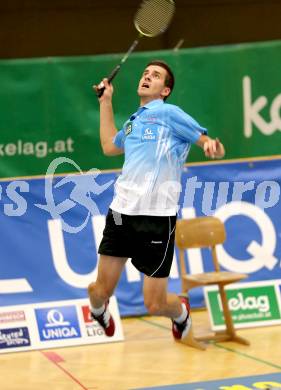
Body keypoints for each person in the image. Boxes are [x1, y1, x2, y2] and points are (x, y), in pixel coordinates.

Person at [88, 60, 225, 340]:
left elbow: (206, 141)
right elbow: (108, 146)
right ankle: (99, 311)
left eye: (156, 75)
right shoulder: (133, 121)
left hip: (157, 219)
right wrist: (106, 101)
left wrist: (212, 146)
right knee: (99, 291)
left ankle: (181, 314)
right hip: (120, 214)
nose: (147, 77)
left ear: (165, 90)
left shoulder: (169, 114)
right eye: (146, 73)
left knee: (155, 304)